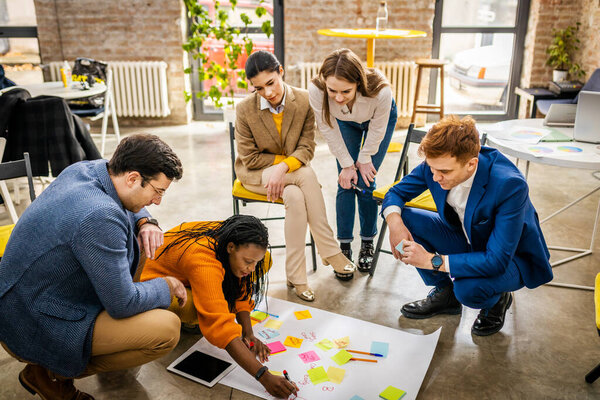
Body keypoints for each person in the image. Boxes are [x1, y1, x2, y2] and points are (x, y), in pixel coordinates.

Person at [0, 134, 186, 399]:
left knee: (138, 239)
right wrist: (167, 285)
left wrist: (146, 221)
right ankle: (51, 372)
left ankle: (67, 357)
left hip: (21, 296)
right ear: (133, 178)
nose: (158, 202)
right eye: (157, 192)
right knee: (166, 329)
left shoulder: (87, 170)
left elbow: (127, 198)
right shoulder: (99, 216)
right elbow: (123, 305)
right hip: (32, 318)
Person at [382, 116, 553, 336]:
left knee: (469, 290)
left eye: (444, 172)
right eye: (432, 169)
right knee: (405, 215)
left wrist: (431, 261)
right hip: (468, 238)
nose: (435, 178)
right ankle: (446, 294)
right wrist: (394, 223)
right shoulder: (437, 165)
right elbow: (395, 193)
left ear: (471, 164)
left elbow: (496, 260)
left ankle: (499, 297)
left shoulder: (510, 185)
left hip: (511, 258)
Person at [235, 50, 356, 301]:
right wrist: (285, 165)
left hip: (290, 175)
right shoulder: (245, 109)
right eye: (259, 88)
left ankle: (297, 278)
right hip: (256, 174)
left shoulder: (303, 101)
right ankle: (329, 249)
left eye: (271, 83)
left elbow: (307, 147)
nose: (268, 93)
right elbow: (250, 159)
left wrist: (282, 169)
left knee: (295, 195)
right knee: (306, 175)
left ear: (281, 72)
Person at [141, 215, 299, 399]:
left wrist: (247, 333)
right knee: (195, 310)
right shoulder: (203, 260)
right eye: (248, 261)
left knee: (263, 261)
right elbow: (220, 326)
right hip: (153, 283)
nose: (251, 268)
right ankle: (188, 323)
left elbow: (241, 285)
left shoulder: (233, 239)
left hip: (188, 271)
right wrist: (263, 376)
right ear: (230, 247)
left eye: (253, 262)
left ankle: (215, 289)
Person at [309, 48, 398, 273]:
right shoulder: (317, 90)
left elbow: (377, 131)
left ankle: (367, 243)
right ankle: (344, 247)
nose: (338, 98)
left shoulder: (381, 92)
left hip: (379, 120)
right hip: (344, 123)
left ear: (358, 82)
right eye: (333, 91)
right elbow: (327, 129)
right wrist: (348, 165)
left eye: (346, 91)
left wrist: (364, 157)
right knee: (346, 181)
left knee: (366, 181)